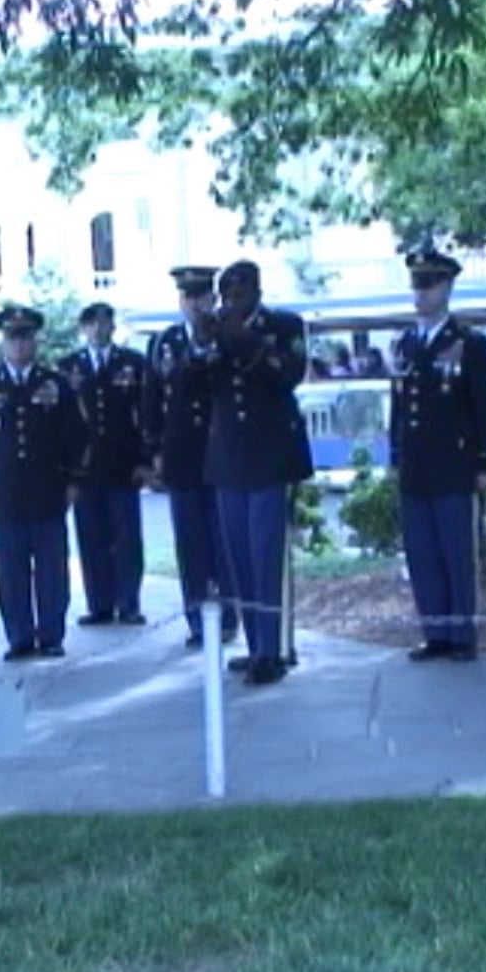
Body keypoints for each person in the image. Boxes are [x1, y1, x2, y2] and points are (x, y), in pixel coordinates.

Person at [198, 261, 313, 686]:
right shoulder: (218, 330)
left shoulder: (284, 325)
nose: (233, 302)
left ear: (257, 292)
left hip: (270, 457)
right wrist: (203, 345)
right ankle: (255, 646)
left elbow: (288, 374)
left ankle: (277, 649)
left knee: (268, 558)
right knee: (241, 559)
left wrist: (244, 341)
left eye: (241, 294)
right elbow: (193, 386)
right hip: (229, 458)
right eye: (228, 295)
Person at [391, 248, 486, 662]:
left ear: (448, 287)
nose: (420, 293)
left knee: (457, 551)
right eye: (416, 284)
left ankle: (462, 633)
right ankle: (434, 630)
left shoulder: (470, 344)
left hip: (455, 463)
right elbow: (399, 406)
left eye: (429, 284)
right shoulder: (405, 343)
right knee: (422, 551)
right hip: (417, 465)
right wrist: (395, 455)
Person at [0, 305, 88, 661]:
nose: (18, 345)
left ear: (35, 341)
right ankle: (19, 636)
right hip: (5, 494)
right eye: (12, 338)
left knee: (51, 570)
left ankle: (50, 635)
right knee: (10, 571)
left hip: (48, 490)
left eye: (25, 338)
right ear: (3, 342)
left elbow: (77, 434)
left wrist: (75, 479)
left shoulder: (55, 384)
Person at [143, 266, 241, 651]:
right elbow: (151, 400)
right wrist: (152, 453)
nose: (195, 304)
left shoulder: (226, 337)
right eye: (188, 297)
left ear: (213, 300)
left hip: (220, 454)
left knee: (223, 542)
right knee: (190, 544)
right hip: (181, 457)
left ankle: (230, 617)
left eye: (202, 296)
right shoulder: (165, 343)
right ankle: (198, 620)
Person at [58, 302, 152, 626]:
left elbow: (145, 415)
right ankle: (99, 604)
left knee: (126, 539)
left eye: (104, 323)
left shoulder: (133, 364)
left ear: (113, 327)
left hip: (123, 466)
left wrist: (145, 461)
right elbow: (62, 423)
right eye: (91, 324)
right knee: (91, 538)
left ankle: (128, 603)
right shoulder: (68, 367)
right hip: (86, 470)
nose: (98, 329)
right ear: (83, 329)